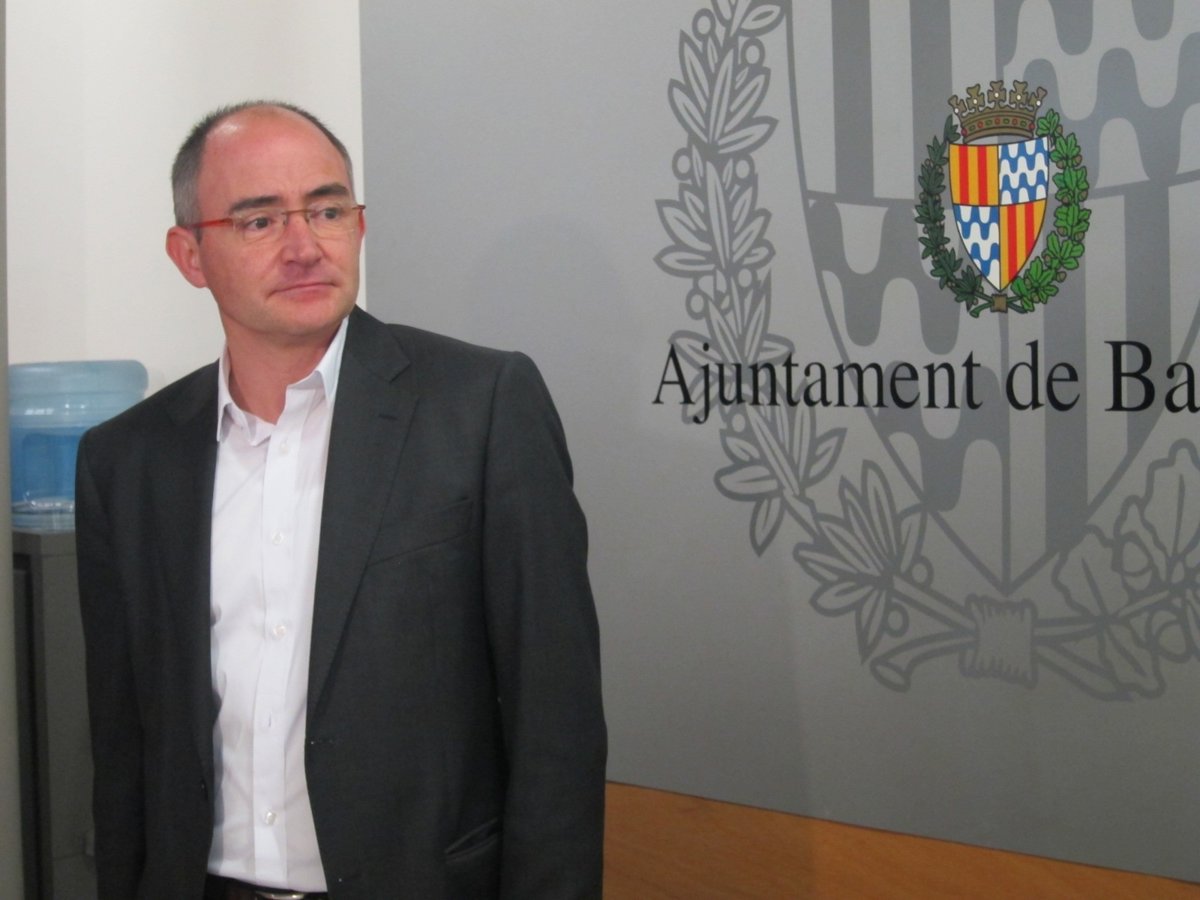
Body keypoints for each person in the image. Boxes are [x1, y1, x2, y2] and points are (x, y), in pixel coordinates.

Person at [75, 100, 606, 900]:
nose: (304, 246)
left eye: (326, 210)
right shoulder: (127, 461)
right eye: (259, 221)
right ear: (190, 254)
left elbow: (555, 721)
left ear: (358, 225)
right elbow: (122, 747)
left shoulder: (481, 406)